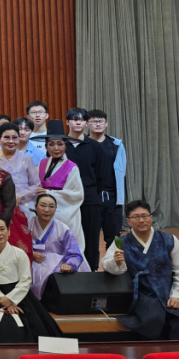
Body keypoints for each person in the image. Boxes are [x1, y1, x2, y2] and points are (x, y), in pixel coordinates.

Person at [101, 201, 179, 340]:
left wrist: (178, 296)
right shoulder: (121, 242)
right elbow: (107, 265)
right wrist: (117, 263)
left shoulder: (169, 240)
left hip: (169, 292)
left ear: (151, 217)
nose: (141, 220)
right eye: (136, 217)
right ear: (128, 221)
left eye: (145, 216)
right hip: (142, 296)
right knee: (152, 323)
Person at [0, 216, 61, 343]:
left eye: (2, 229)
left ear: (8, 231)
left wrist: (11, 299)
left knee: (34, 324)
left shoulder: (19, 254)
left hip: (19, 294)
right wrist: (3, 300)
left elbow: (26, 280)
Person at [64, 108, 110, 270]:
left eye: (82, 119)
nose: (78, 122)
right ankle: (67, 269)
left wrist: (90, 192)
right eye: (74, 119)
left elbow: (102, 175)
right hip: (65, 201)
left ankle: (91, 270)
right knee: (67, 235)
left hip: (90, 199)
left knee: (91, 238)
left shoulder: (96, 147)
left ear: (86, 123)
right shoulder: (60, 145)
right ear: (67, 122)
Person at [35, 121, 86, 255]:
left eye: (60, 144)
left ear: (65, 145)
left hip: (65, 213)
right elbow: (35, 185)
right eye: (51, 144)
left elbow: (77, 194)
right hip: (43, 212)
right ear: (46, 147)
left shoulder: (72, 167)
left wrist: (49, 193)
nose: (56, 148)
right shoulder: (42, 163)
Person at [29, 194, 89, 299]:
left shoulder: (62, 227)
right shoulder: (26, 224)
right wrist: (30, 254)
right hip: (31, 261)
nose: (47, 210)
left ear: (56, 209)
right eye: (43, 205)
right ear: (35, 207)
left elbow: (74, 252)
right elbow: (17, 245)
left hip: (55, 263)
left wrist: (69, 264)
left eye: (51, 206)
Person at [87, 110, 127, 255]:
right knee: (90, 237)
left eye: (101, 121)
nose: (98, 124)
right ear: (87, 124)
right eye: (94, 121)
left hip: (113, 198)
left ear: (106, 124)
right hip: (90, 198)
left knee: (114, 237)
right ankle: (92, 266)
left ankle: (113, 265)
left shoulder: (116, 144)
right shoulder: (83, 145)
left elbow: (122, 170)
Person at [0, 123, 43, 215]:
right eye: (6, 137)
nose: (11, 141)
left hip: (24, 205)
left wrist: (20, 197)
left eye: (14, 138)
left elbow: (36, 186)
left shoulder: (26, 159)